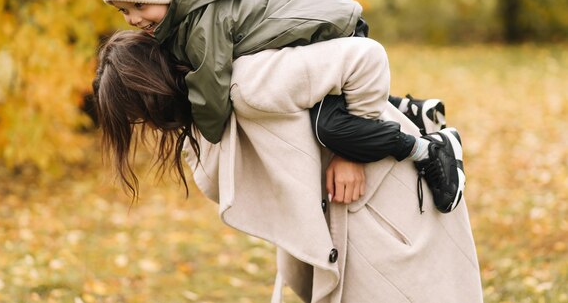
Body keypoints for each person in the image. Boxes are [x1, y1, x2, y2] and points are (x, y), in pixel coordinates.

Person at [92, 30, 483, 303]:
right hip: (347, 217)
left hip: (388, 199)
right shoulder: (205, 115)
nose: (148, 125)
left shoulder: (248, 82)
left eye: (139, 113)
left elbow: (365, 57)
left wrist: (351, 154)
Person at [101, 0, 462, 213]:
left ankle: (427, 149)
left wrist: (208, 127)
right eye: (123, 11)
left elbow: (211, 90)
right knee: (328, 106)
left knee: (333, 129)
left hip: (331, 30)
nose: (133, 19)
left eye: (139, 5)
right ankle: (407, 108)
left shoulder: (205, 28)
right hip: (321, 29)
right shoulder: (191, 17)